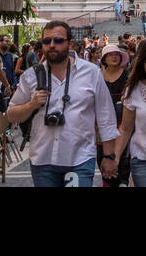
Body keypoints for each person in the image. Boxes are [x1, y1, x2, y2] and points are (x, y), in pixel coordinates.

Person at [7, 20, 118, 188]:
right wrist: (31, 104)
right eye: (46, 41)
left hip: (79, 158)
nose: (52, 45)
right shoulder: (30, 76)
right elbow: (11, 114)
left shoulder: (91, 73)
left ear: (70, 43)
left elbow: (106, 117)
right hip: (43, 159)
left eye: (58, 40)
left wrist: (109, 156)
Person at [97, 43, 132, 187]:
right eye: (110, 54)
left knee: (123, 159)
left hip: (122, 124)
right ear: (104, 58)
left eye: (116, 54)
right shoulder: (96, 75)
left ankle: (122, 182)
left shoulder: (128, 76)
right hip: (101, 126)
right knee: (102, 158)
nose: (114, 56)